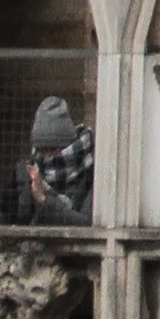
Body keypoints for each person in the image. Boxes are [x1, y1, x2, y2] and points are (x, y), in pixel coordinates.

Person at [19, 94, 94, 226]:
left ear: (67, 145)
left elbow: (86, 223)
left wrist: (44, 200)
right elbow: (20, 219)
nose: (47, 157)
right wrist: (27, 186)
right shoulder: (36, 166)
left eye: (52, 150)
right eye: (42, 150)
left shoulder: (90, 168)